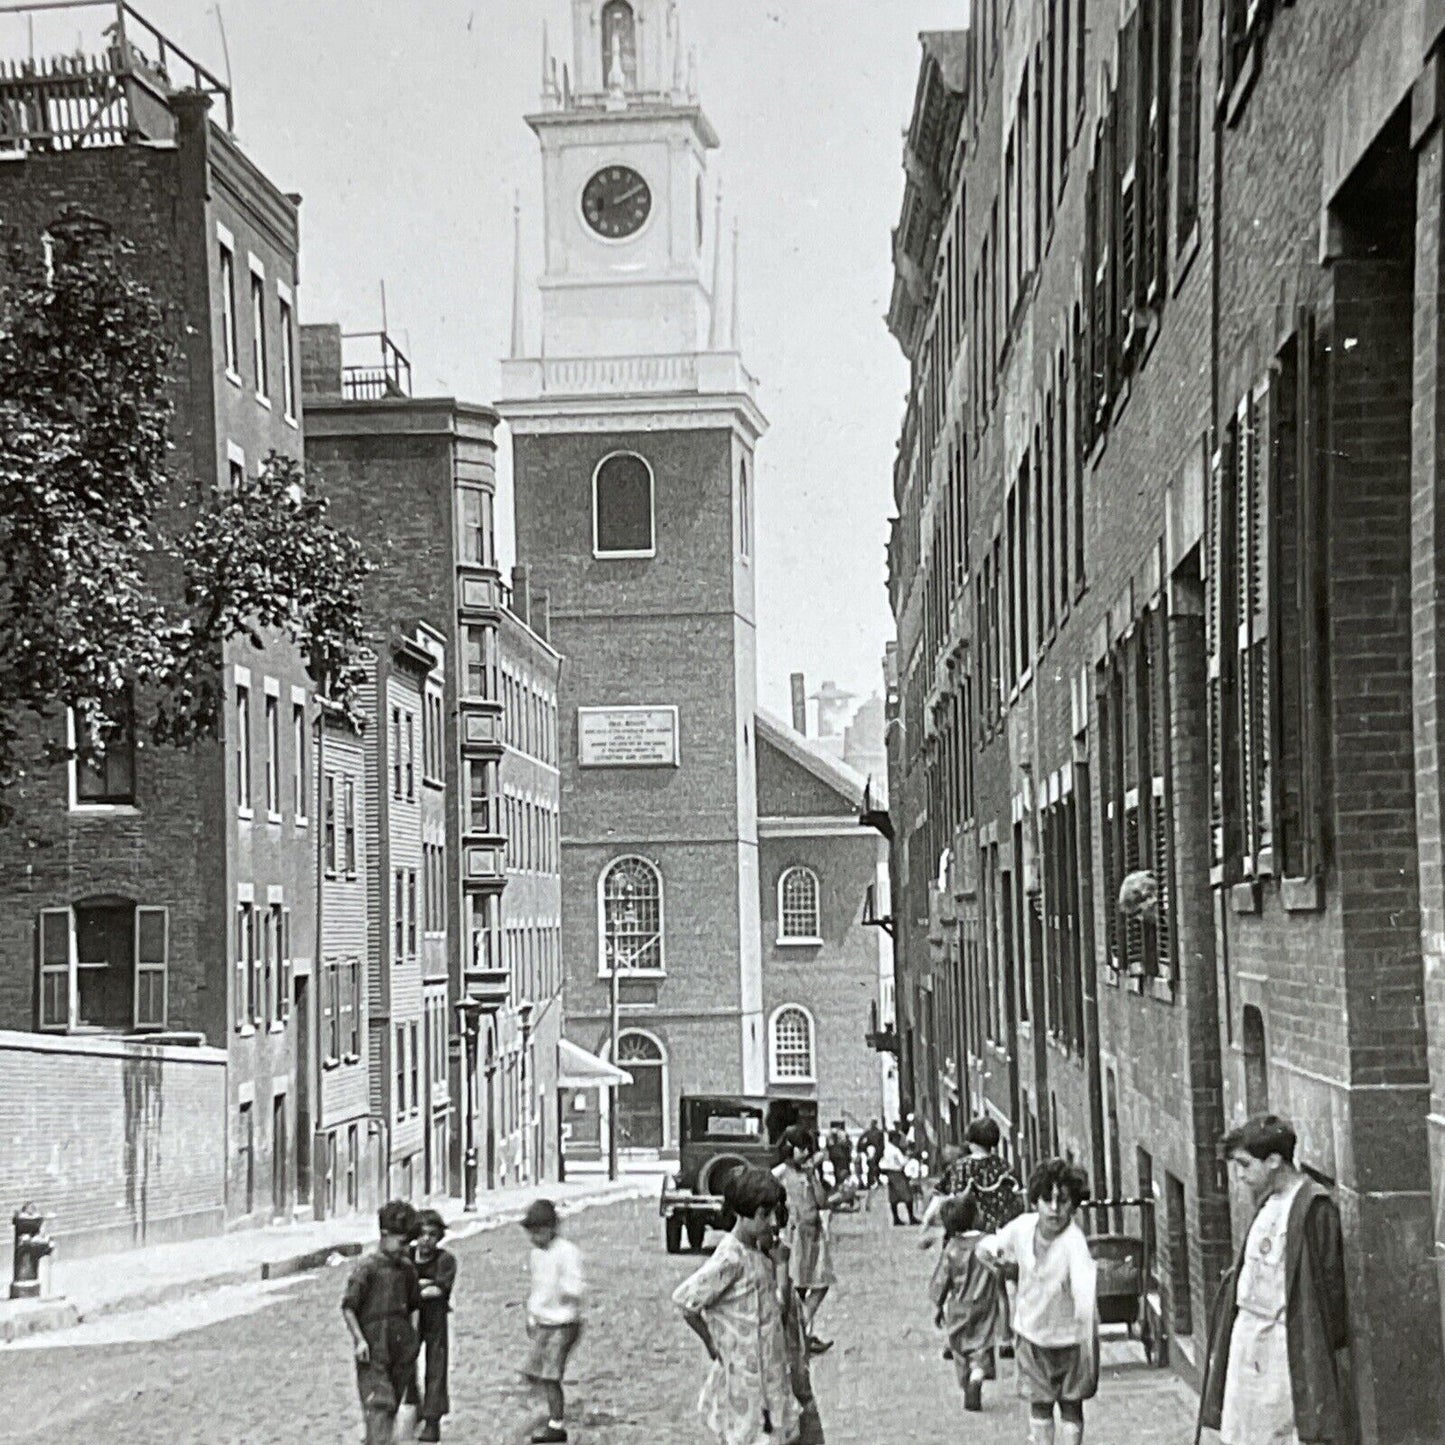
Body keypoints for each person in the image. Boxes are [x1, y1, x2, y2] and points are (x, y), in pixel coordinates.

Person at [1198, 1114, 1354, 1445]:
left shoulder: (1313, 1207)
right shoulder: (1268, 1201)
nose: (1240, 1176)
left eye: (1245, 1165)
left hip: (1281, 1349)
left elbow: (1329, 1294)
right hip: (1249, 1343)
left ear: (1273, 1161)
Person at [673, 1165, 800, 1445]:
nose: (770, 1222)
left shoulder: (759, 1253)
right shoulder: (730, 1257)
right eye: (764, 1215)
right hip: (744, 1373)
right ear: (744, 1214)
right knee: (747, 1436)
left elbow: (779, 1309)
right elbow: (686, 1301)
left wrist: (781, 1267)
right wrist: (711, 1342)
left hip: (770, 1367)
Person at [978, 1159, 1098, 1445]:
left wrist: (1087, 1342)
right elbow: (990, 1245)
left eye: (1063, 1201)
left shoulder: (1074, 1243)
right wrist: (995, 1260)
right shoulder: (1022, 1228)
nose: (1054, 1209)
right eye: (1047, 1199)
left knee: (1071, 1404)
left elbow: (1085, 1298)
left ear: (1074, 1204)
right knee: (1039, 1402)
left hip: (1070, 1339)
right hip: (1032, 1333)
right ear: (1035, 1202)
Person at [342, 1199, 423, 1445]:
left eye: (408, 1243)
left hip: (400, 1349)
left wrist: (413, 1338)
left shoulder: (407, 1270)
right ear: (384, 1235)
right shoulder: (367, 1269)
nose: (404, 1248)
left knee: (392, 1406)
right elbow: (349, 1307)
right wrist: (359, 1340)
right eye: (401, 1242)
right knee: (379, 1404)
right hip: (373, 1349)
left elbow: (414, 1305)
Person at [930, 1194, 1010, 1412]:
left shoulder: (952, 1248)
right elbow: (1002, 1264)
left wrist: (938, 1306)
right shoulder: (987, 1242)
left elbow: (941, 1280)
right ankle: (978, 1374)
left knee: (959, 1348)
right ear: (974, 1218)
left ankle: (967, 1380)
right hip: (984, 1303)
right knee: (982, 1345)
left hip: (958, 1305)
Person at [521, 1198, 585, 1445]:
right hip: (545, 1322)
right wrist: (532, 1314)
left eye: (540, 1231)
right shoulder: (537, 1254)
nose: (535, 1237)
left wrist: (565, 1290)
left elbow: (576, 1286)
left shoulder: (567, 1252)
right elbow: (537, 1288)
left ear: (552, 1228)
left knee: (550, 1374)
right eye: (531, 1232)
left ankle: (556, 1425)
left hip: (565, 1322)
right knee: (535, 1370)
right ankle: (551, 1409)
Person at [772, 1124, 836, 1355]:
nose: (807, 1153)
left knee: (821, 1283)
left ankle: (802, 1328)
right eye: (802, 1149)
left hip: (814, 1233)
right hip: (794, 1233)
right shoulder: (780, 1173)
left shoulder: (808, 1173)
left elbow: (822, 1202)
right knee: (796, 1287)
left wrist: (813, 1178)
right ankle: (798, 1335)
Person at [407, 1208, 457, 1443]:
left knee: (436, 1367)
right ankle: (412, 1405)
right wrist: (424, 1287)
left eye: (433, 1235)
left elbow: (439, 1289)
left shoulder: (445, 1260)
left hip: (435, 1318)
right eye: (423, 1234)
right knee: (405, 1362)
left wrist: (416, 1289)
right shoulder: (406, 1257)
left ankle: (432, 1420)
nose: (427, 1239)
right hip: (409, 1318)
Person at [772, 1236, 828, 1445]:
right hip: (780, 1373)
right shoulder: (757, 1264)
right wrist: (782, 1266)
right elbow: (780, 1309)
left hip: (794, 1370)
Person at [880, 1131, 916, 1225]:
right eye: (897, 1139)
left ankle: (896, 1219)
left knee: (894, 1197)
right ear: (894, 1139)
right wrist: (908, 1156)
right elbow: (902, 1162)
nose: (898, 1141)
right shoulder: (895, 1150)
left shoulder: (887, 1149)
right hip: (897, 1173)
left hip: (889, 1173)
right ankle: (911, 1218)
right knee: (907, 1196)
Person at [824, 1120, 853, 1192]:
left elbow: (828, 1145)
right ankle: (841, 1185)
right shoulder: (843, 1133)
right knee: (843, 1170)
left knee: (836, 1169)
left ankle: (837, 1184)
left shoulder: (828, 1134)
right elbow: (847, 1145)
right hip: (842, 1154)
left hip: (833, 1155)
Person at [860, 1119, 885, 1189]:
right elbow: (862, 1142)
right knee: (870, 1167)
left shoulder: (879, 1133)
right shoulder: (868, 1133)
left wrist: (881, 1152)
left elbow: (882, 1143)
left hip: (877, 1152)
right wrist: (864, 1150)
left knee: (876, 1167)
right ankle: (870, 1181)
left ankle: (877, 1179)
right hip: (870, 1152)